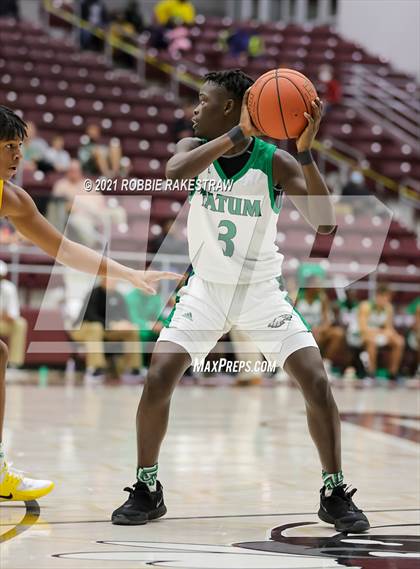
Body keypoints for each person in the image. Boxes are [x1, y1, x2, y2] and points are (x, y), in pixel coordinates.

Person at [112, 70, 370, 533]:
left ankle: (334, 492)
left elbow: (325, 224)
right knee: (158, 376)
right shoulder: (191, 150)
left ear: (229, 106)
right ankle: (147, 489)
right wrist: (239, 133)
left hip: (260, 291)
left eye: (203, 100)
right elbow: (174, 173)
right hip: (205, 289)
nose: (194, 109)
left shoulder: (275, 162)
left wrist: (305, 152)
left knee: (315, 381)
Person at [0, 105, 181, 502]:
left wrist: (129, 273)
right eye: (9, 146)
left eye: (21, 147)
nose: (18, 156)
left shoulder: (13, 198)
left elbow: (64, 249)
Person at [71, 276, 142, 382]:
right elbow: (90, 315)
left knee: (132, 331)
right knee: (96, 327)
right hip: (83, 327)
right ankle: (95, 368)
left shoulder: (119, 296)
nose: (112, 282)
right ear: (103, 280)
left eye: (114, 280)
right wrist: (111, 324)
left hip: (106, 329)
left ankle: (133, 368)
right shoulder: (94, 293)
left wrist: (124, 324)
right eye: (110, 279)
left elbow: (125, 316)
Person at [50, 159, 126, 245]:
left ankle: (121, 240)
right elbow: (58, 206)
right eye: (71, 170)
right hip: (79, 215)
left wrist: (99, 209)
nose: (73, 173)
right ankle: (95, 246)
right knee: (82, 226)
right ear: (67, 171)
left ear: (80, 171)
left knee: (119, 212)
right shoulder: (61, 185)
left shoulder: (88, 183)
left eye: (75, 170)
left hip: (97, 212)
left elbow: (100, 199)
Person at [295, 276, 345, 372]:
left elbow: (328, 320)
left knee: (338, 333)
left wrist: (321, 329)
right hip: (300, 330)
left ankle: (325, 364)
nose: (319, 286)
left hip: (318, 330)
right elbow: (290, 317)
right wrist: (305, 329)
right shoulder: (297, 297)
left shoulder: (323, 298)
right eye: (317, 284)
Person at [358, 284, 404, 380]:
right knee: (371, 341)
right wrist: (380, 332)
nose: (385, 300)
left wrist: (392, 334)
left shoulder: (388, 308)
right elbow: (363, 328)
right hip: (362, 336)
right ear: (377, 296)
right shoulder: (365, 306)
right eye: (383, 297)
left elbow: (389, 328)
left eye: (387, 297)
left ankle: (393, 373)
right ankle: (371, 372)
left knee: (399, 341)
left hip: (379, 335)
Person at [0, 260, 27, 371]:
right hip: (2, 319)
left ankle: (14, 363)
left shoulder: (9, 288)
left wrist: (4, 316)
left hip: (3, 323)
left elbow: (13, 315)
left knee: (20, 323)